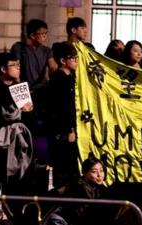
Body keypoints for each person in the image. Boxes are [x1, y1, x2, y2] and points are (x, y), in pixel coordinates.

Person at [0, 52, 35, 194]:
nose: (18, 68)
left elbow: (29, 118)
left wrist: (27, 112)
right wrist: (19, 111)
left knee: (18, 181)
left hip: (20, 139)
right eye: (13, 65)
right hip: (1, 142)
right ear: (3, 69)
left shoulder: (20, 89)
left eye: (18, 65)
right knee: (1, 178)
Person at [47, 42, 80, 188]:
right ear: (63, 61)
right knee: (64, 167)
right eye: (73, 58)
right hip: (62, 131)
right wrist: (69, 130)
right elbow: (63, 108)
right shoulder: (59, 79)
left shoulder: (71, 78)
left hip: (68, 129)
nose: (76, 61)